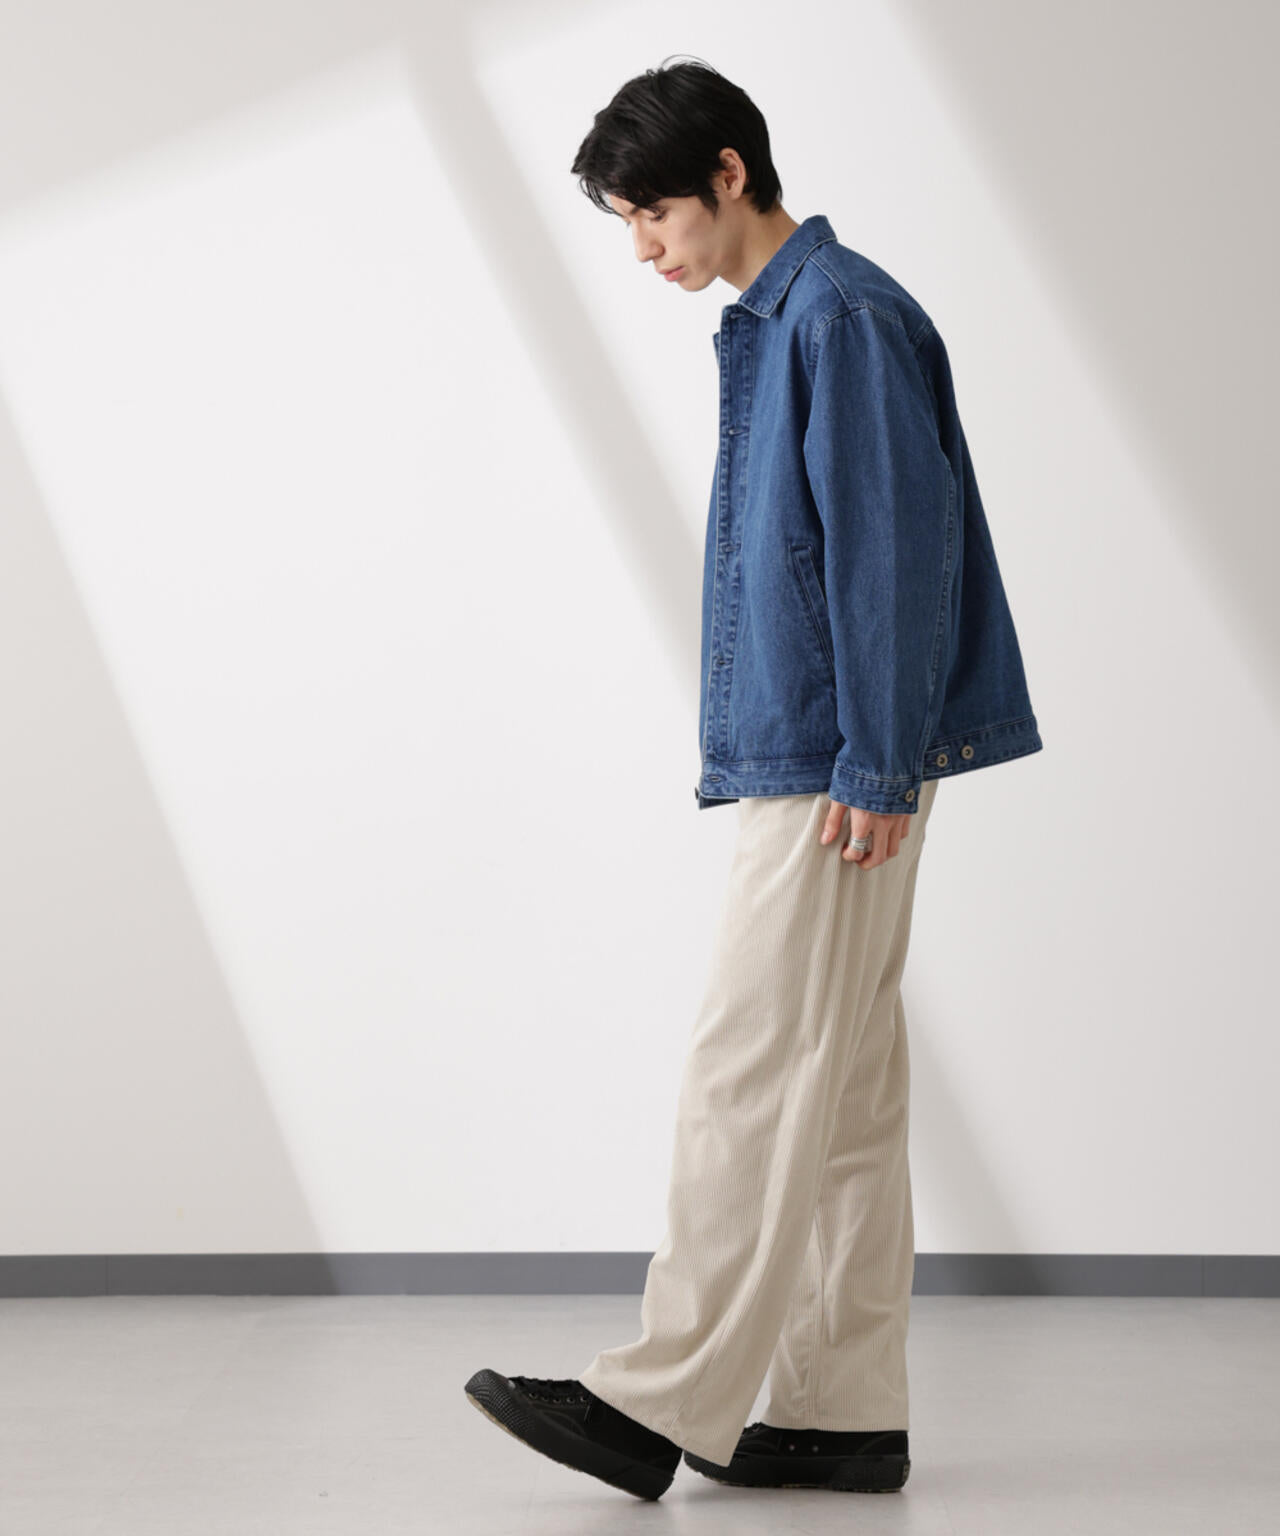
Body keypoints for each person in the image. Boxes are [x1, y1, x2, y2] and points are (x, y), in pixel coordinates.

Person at [464, 55, 1042, 1502]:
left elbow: (890, 556)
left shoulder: (838, 319)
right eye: (627, 225)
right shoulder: (793, 321)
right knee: (842, 1086)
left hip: (838, 762)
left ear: (730, 174)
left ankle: (657, 1398)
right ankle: (841, 1410)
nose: (644, 250)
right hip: (836, 751)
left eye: (654, 214)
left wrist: (878, 762)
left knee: (752, 1062)